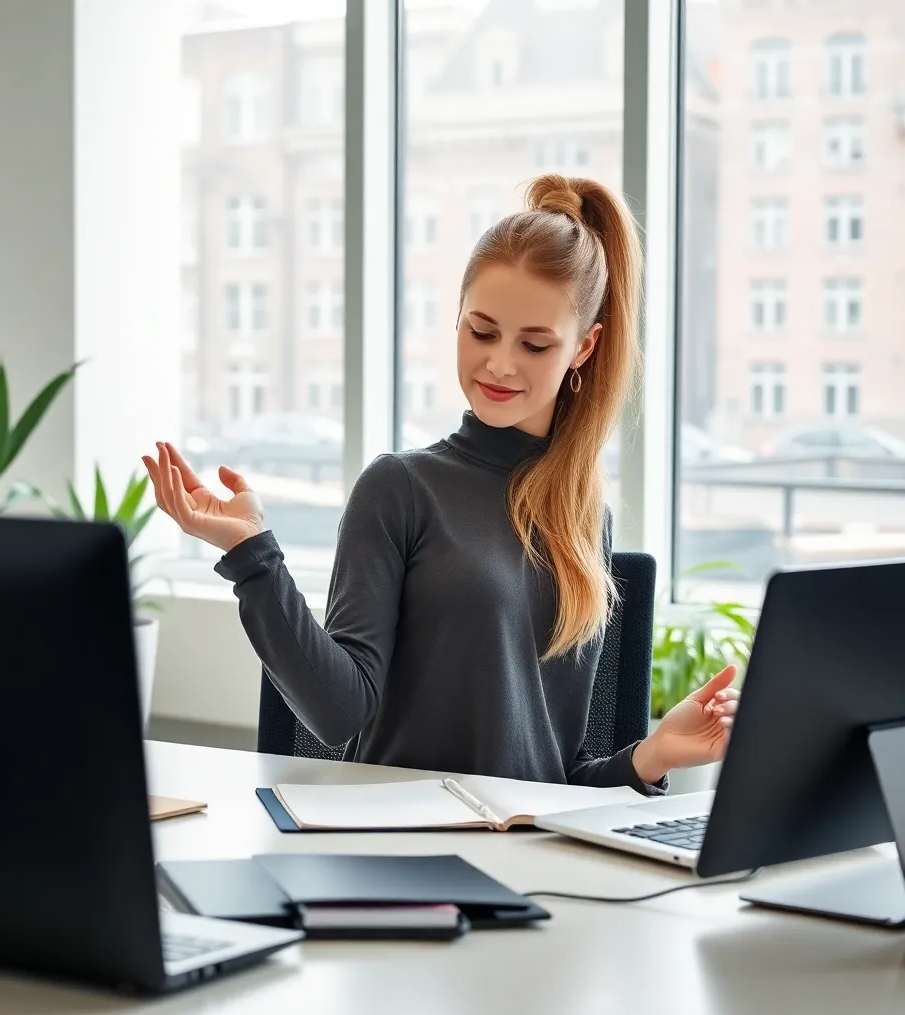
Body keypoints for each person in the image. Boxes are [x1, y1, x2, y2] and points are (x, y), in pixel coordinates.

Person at [143, 173, 739, 793]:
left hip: (527, 852)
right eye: (481, 332)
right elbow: (338, 713)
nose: (500, 364)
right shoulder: (400, 490)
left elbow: (557, 780)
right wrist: (252, 556)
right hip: (407, 848)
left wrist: (654, 754)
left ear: (583, 349)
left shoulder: (587, 517)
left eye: (535, 345)